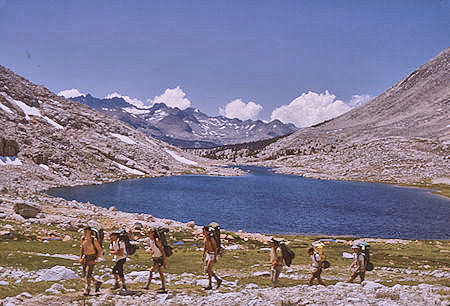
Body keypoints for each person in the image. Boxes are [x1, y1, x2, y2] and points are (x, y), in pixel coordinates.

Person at [80, 226, 103, 296]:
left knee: (88, 274)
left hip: (92, 256)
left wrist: (96, 259)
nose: (85, 233)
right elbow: (82, 249)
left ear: (90, 231)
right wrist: (81, 257)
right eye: (84, 231)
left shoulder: (94, 240)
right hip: (86, 257)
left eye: (86, 231)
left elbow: (100, 250)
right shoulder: (83, 239)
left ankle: (88, 289)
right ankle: (96, 282)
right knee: (85, 272)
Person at [143, 228, 167, 293]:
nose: (148, 234)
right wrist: (149, 250)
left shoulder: (157, 240)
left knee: (151, 270)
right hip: (155, 258)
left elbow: (162, 250)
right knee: (160, 272)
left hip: (159, 258)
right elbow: (153, 248)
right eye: (148, 232)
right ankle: (163, 286)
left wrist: (164, 260)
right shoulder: (151, 240)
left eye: (149, 232)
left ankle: (147, 285)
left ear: (153, 233)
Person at [202, 226, 222, 290]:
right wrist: (203, 255)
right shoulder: (205, 238)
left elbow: (215, 249)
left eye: (204, 231)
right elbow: (205, 247)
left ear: (207, 231)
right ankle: (217, 280)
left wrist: (215, 257)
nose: (202, 232)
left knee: (208, 269)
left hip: (212, 255)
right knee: (208, 270)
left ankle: (211, 284)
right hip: (208, 254)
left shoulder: (212, 239)